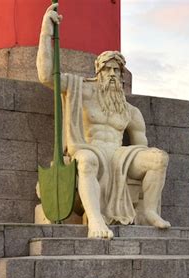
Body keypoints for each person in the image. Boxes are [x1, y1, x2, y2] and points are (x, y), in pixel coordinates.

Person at [37, 3, 170, 239]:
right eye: (107, 69)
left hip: (119, 155)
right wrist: (46, 31)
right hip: (89, 147)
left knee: (158, 158)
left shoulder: (130, 111)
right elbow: (47, 75)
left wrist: (140, 158)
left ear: (121, 76)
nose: (112, 74)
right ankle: (95, 220)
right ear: (98, 71)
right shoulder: (82, 91)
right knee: (87, 160)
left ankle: (148, 211)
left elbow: (141, 145)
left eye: (117, 71)